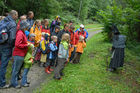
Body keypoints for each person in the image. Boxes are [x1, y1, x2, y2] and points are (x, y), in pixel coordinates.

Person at [0, 10, 18, 89]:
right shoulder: (13, 23)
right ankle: (2, 83)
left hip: (0, 43)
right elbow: (12, 38)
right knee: (3, 65)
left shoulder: (3, 20)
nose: (17, 17)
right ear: (13, 15)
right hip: (6, 47)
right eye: (17, 15)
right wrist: (11, 46)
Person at [10, 20, 29, 89]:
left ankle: (14, 82)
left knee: (17, 69)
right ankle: (14, 83)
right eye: (26, 26)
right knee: (16, 69)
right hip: (18, 54)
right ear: (24, 26)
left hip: (21, 53)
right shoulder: (20, 33)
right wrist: (26, 45)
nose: (27, 27)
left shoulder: (22, 32)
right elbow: (17, 44)